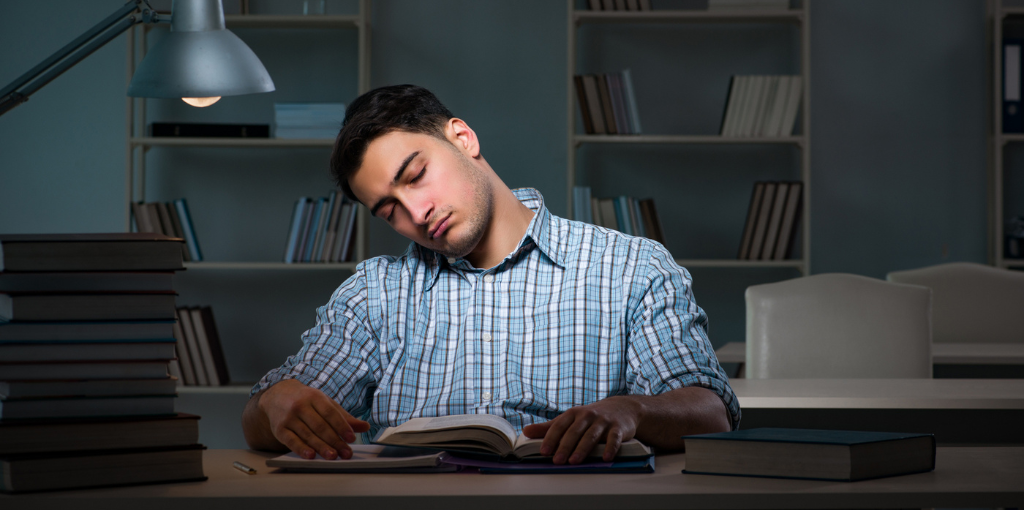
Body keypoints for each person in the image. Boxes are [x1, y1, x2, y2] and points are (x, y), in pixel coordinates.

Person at [242, 84, 740, 465]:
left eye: (415, 176)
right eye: (389, 209)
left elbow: (710, 413)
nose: (416, 212)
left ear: (462, 138)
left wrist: (633, 411)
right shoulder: (374, 293)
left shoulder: (632, 266)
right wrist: (276, 402)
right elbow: (262, 423)